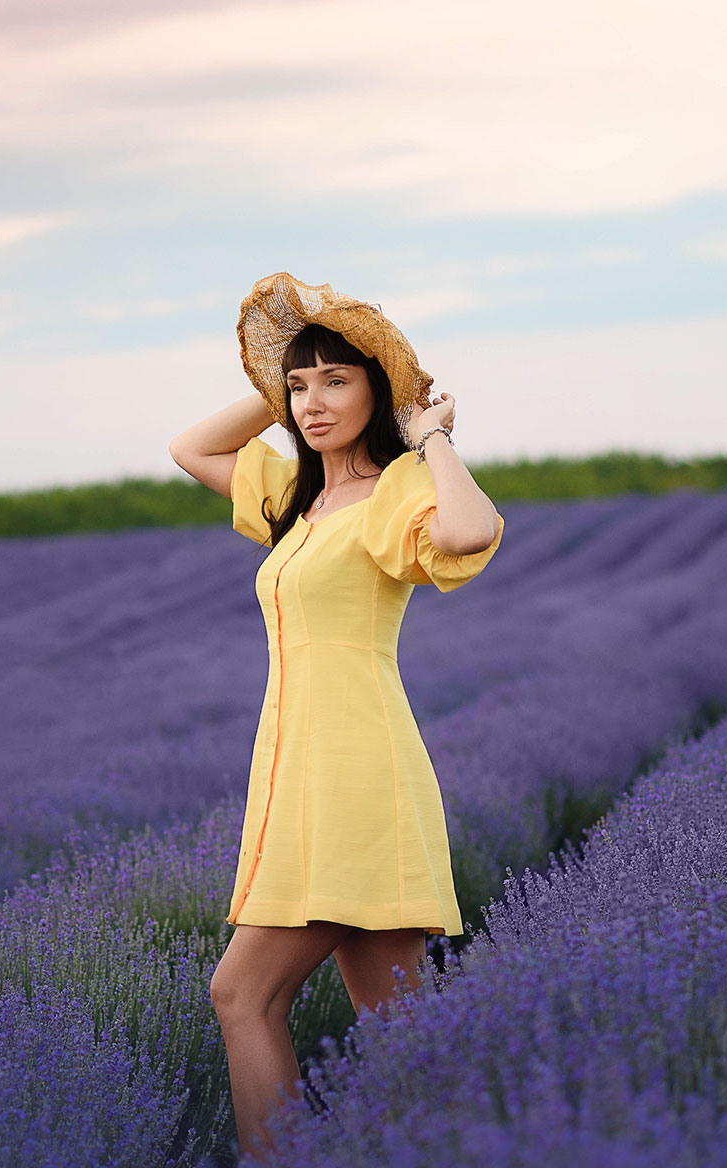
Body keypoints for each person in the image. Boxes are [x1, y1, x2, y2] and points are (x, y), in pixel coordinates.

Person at [167, 274, 506, 1164]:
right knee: (398, 1028)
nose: (311, 402)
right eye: (298, 385)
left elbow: (470, 532)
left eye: (336, 381)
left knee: (241, 995)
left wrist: (430, 437)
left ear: (377, 393)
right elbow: (189, 448)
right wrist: (275, 373)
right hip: (303, 771)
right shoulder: (294, 499)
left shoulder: (396, 492)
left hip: (356, 778)